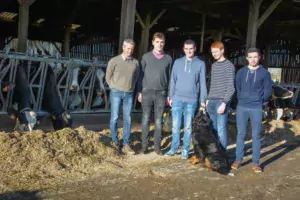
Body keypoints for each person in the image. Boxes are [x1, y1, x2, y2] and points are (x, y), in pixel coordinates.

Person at [231, 47, 273, 173]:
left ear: (259, 57)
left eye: (256, 57)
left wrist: (260, 100)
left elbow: (268, 90)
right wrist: (242, 98)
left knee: (256, 135)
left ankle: (256, 162)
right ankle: (238, 160)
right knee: (241, 134)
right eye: (251, 57)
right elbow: (237, 86)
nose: (253, 59)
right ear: (247, 58)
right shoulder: (241, 72)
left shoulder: (265, 73)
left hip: (256, 107)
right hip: (242, 106)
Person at [164, 39, 207, 159]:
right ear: (183, 49)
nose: (189, 51)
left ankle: (185, 149)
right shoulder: (177, 62)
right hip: (177, 98)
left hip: (191, 100)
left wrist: (202, 100)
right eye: (186, 49)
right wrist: (170, 95)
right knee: (175, 126)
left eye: (191, 49)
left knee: (188, 127)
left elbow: (203, 83)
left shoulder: (200, 64)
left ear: (194, 49)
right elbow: (172, 80)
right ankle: (173, 148)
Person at [137, 32, 173, 155]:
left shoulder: (168, 59)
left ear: (164, 43)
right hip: (147, 92)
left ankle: (157, 147)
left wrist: (169, 94)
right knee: (145, 119)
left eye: (162, 42)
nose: (159, 44)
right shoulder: (146, 57)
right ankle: (145, 146)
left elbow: (170, 78)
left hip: (161, 93)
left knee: (158, 121)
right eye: (157, 42)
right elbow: (140, 75)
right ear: (153, 42)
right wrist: (139, 91)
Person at [105, 39, 140, 155]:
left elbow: (136, 77)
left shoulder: (135, 62)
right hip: (116, 92)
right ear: (123, 47)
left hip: (129, 93)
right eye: (127, 48)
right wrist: (113, 87)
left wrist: (132, 87)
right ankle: (115, 140)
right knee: (114, 117)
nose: (129, 51)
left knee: (128, 118)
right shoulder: (114, 61)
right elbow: (108, 76)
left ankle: (126, 143)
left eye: (131, 49)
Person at [206, 41, 235, 151]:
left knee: (221, 129)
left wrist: (224, 103)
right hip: (211, 101)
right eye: (213, 52)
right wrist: (208, 99)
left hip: (221, 102)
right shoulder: (214, 66)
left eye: (216, 52)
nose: (214, 54)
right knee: (212, 129)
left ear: (222, 50)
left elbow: (231, 87)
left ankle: (223, 154)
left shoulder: (229, 66)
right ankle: (214, 152)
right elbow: (212, 84)